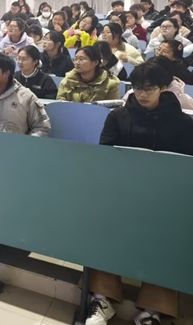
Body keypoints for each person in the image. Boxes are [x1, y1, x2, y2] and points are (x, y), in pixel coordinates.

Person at [92, 61, 192, 325]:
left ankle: (153, 310)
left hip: (166, 197)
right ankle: (102, 297)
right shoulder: (118, 117)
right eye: (137, 88)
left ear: (163, 89)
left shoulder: (183, 123)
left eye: (149, 88)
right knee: (102, 226)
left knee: (170, 236)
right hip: (122, 192)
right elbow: (104, 156)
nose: (142, 94)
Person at [56, 45, 121, 102]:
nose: (77, 62)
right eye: (75, 59)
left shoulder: (109, 85)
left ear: (95, 62)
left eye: (81, 59)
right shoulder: (68, 81)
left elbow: (113, 108)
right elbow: (60, 105)